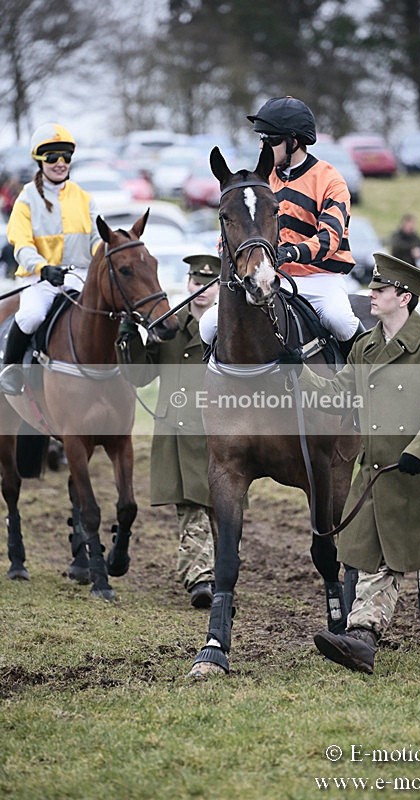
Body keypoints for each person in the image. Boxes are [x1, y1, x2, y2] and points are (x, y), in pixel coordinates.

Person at [296, 252, 420, 673]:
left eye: (380, 290)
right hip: (380, 475)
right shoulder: (365, 347)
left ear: (403, 297)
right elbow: (337, 395)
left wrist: (418, 452)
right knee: (373, 559)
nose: (371, 294)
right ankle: (361, 638)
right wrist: (298, 373)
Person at [200, 96, 360, 353]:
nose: (263, 146)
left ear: (293, 142)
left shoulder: (330, 180)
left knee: (339, 320)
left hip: (320, 278)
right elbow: (231, 233)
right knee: (207, 326)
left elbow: (330, 239)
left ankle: (363, 381)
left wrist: (288, 253)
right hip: (268, 275)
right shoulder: (259, 181)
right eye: (261, 139)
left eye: (270, 139)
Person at [116, 254, 220, 609]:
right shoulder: (169, 324)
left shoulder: (233, 330)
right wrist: (129, 337)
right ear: (188, 284)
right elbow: (141, 376)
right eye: (195, 283)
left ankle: (219, 573)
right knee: (191, 509)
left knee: (222, 512)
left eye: (208, 284)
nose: (200, 290)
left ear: (221, 289)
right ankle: (200, 579)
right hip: (177, 436)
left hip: (220, 437)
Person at [0, 123, 100, 395]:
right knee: (31, 316)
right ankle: (11, 371)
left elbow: (96, 240)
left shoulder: (84, 198)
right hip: (41, 278)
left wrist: (103, 255)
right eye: (52, 157)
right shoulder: (26, 199)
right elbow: (21, 244)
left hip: (78, 276)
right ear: (39, 161)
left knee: (104, 312)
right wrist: (42, 268)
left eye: (65, 157)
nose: (60, 163)